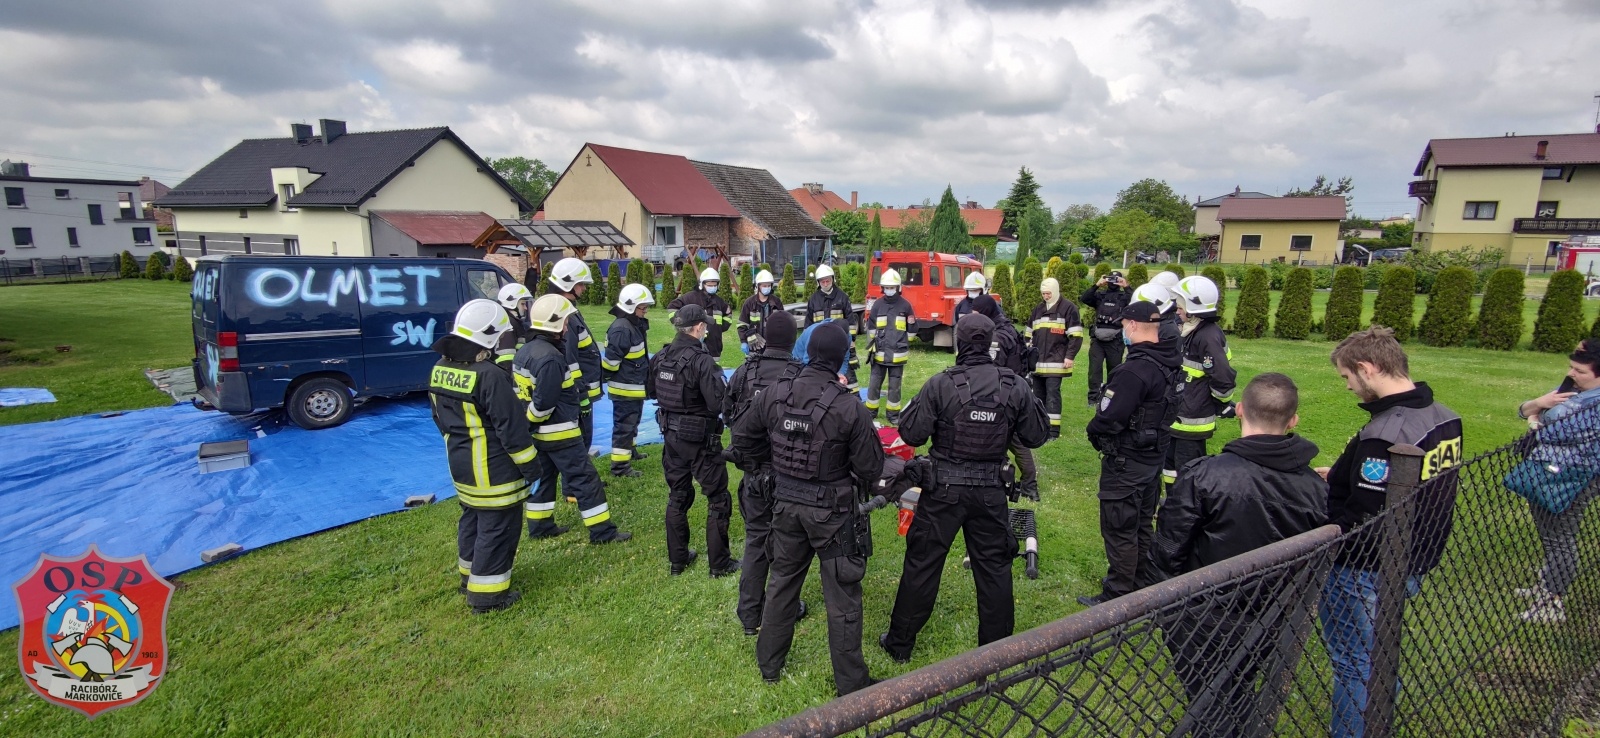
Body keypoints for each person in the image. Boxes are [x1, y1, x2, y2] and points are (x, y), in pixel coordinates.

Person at [1152, 373, 1328, 738]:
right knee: (1233, 692)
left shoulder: (1205, 474)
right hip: (1272, 613)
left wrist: (1169, 602)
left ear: (1240, 411)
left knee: (1211, 702)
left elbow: (1168, 548)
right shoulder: (1316, 490)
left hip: (1203, 612)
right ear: (1293, 420)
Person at [1317, 327, 1463, 738]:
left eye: (1347, 377)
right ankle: (1379, 718)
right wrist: (1343, 474)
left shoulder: (1386, 433)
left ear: (1367, 369)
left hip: (1364, 567)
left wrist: (1325, 533)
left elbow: (1365, 518)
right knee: (1380, 651)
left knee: (1355, 661)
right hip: (1414, 557)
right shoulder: (1445, 416)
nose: (1348, 387)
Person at [880, 312, 1049, 663]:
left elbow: (910, 433)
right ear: (991, 344)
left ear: (959, 340)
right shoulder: (1013, 384)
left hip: (945, 492)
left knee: (923, 565)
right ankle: (997, 652)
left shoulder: (942, 383)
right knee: (994, 569)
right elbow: (1036, 435)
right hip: (987, 492)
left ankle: (899, 644)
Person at [731, 322, 884, 696]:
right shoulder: (850, 407)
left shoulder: (774, 394)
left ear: (810, 353)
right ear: (841, 360)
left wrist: (769, 465)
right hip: (830, 515)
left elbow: (741, 437)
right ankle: (852, 683)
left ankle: (769, 665)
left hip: (785, 508)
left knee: (782, 583)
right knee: (843, 596)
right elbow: (870, 468)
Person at [429, 300, 537, 614]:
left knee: (472, 519)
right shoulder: (489, 375)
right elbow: (511, 427)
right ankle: (487, 596)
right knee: (498, 527)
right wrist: (530, 465)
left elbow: (437, 417)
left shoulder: (439, 368)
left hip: (460, 464)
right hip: (494, 469)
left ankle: (469, 575)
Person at [1080, 301, 1180, 607]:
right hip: (1152, 459)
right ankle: (1139, 581)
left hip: (1127, 463)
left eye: (1125, 325)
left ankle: (1119, 595)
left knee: (1119, 527)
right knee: (1140, 524)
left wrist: (1093, 429)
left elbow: (1109, 418)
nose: (1123, 330)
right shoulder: (1169, 362)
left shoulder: (1134, 370)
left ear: (1133, 326)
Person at [514, 294, 633, 545]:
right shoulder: (550, 358)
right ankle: (603, 532)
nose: (568, 326)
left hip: (540, 436)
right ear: (555, 324)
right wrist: (533, 422)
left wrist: (529, 426)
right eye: (565, 322)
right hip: (560, 433)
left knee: (545, 479)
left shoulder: (525, 352)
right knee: (585, 480)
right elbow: (544, 402)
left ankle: (540, 526)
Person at [723, 311, 805, 635]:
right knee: (787, 544)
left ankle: (749, 615)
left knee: (757, 540)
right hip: (789, 476)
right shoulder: (801, 375)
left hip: (754, 474)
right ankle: (783, 607)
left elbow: (728, 413)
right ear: (793, 340)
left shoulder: (745, 371)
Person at [1512, 339, 1600, 624]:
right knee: (1549, 535)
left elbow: (1554, 431)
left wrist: (1539, 416)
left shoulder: (1594, 405)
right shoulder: (1575, 393)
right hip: (1549, 472)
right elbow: (1524, 411)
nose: (1571, 374)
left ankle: (1552, 602)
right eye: (1571, 367)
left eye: (1580, 371)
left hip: (1574, 478)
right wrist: (1538, 406)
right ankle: (1547, 585)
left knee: (1560, 539)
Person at [648, 304, 737, 577]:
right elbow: (717, 402)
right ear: (698, 328)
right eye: (705, 326)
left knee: (678, 495)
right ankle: (719, 564)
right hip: (700, 440)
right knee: (718, 498)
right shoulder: (702, 361)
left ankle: (678, 560)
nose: (707, 329)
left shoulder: (661, 356)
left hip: (671, 436)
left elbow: (651, 390)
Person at [1165, 275, 1238, 488]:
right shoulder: (1190, 330)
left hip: (1192, 419)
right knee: (1170, 467)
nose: (1177, 309)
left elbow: (1223, 378)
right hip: (1179, 414)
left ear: (1194, 306)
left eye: (1181, 305)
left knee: (1188, 470)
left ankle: (1187, 508)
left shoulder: (1207, 336)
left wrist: (1221, 403)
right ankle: (1172, 502)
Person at [972, 295, 1040, 500]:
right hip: (1015, 389)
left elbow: (991, 369)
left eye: (976, 314)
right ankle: (1026, 483)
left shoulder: (996, 337)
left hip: (1003, 394)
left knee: (1009, 440)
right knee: (1014, 440)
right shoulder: (1007, 327)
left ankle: (1027, 485)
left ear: (984, 313)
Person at [547, 258, 604, 451]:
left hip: (578, 388)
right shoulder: (565, 314)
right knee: (581, 438)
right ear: (568, 284)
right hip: (578, 391)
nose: (584, 289)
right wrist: (581, 394)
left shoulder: (566, 309)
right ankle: (582, 480)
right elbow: (569, 358)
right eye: (580, 284)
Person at [602, 283, 654, 478]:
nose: (645, 311)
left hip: (633, 386)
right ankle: (620, 467)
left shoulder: (631, 325)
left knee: (632, 423)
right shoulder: (622, 329)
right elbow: (611, 362)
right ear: (631, 306)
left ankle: (630, 452)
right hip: (625, 389)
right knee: (624, 427)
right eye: (643, 308)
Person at [1029, 277, 1084, 439]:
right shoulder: (1038, 309)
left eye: (1048, 293)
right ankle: (1039, 427)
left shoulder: (1068, 308)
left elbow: (1076, 335)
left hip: (1056, 363)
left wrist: (1070, 357)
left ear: (1055, 291)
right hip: (1038, 364)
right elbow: (1028, 333)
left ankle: (1053, 431)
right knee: (1038, 395)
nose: (1045, 296)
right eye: (1043, 293)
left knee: (1052, 395)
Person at [865, 269, 917, 424]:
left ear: (898, 287)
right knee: (874, 385)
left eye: (892, 287)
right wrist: (870, 349)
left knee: (895, 388)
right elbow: (871, 329)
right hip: (879, 354)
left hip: (897, 356)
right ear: (883, 288)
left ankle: (893, 416)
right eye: (887, 287)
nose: (889, 290)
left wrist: (908, 334)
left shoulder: (906, 306)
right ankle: (870, 413)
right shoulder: (877, 306)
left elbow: (912, 331)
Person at [1081, 270, 1132, 407]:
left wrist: (1126, 286)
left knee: (1114, 370)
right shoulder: (1100, 296)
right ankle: (1093, 398)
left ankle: (1111, 398)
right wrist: (1097, 285)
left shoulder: (1124, 297)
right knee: (1094, 370)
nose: (1113, 282)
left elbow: (1135, 301)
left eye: (1116, 279)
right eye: (1111, 279)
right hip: (1098, 339)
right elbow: (1085, 298)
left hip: (1115, 340)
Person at [805, 264, 860, 391]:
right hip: (820, 347)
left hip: (840, 345)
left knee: (848, 376)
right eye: (823, 281)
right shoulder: (813, 300)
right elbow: (808, 326)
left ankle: (853, 400)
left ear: (833, 279)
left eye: (828, 280)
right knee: (822, 377)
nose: (825, 283)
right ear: (818, 282)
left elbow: (851, 323)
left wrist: (851, 347)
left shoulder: (842, 297)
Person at [667, 267, 733, 365]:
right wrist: (681, 324)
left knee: (712, 373)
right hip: (692, 344)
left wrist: (718, 328)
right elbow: (672, 308)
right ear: (702, 284)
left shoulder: (719, 301)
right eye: (710, 285)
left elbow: (728, 314)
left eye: (715, 285)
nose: (713, 287)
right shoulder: (690, 297)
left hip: (714, 345)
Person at [738, 269, 782, 355]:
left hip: (772, 347)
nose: (767, 288)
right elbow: (742, 324)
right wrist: (744, 341)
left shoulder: (776, 302)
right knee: (752, 368)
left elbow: (782, 323)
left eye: (769, 285)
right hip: (754, 347)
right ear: (758, 286)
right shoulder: (749, 303)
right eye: (764, 286)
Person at [494, 282, 535, 368]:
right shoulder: (508, 324)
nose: (525, 308)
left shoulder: (512, 321)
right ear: (512, 303)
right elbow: (506, 359)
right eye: (523, 304)